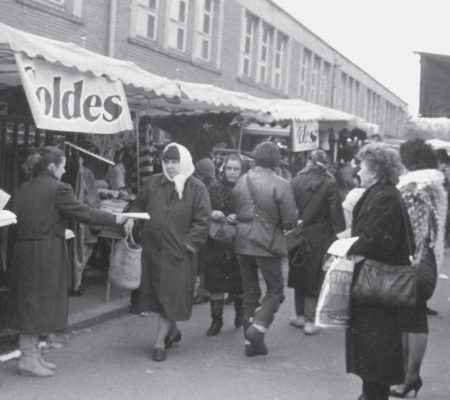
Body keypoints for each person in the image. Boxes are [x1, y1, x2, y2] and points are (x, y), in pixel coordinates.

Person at [11, 146, 130, 377]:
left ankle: (32, 354)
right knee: (40, 302)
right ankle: (27, 358)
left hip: (24, 249)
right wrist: (115, 217)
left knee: (30, 302)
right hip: (45, 252)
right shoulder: (59, 189)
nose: (66, 170)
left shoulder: (25, 187)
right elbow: (85, 212)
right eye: (63, 165)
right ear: (52, 166)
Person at [128, 143, 211, 362]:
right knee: (158, 295)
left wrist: (187, 245)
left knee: (169, 295)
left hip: (178, 255)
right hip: (152, 252)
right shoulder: (153, 183)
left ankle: (158, 344)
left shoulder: (197, 188)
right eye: (167, 162)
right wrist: (132, 219)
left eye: (174, 162)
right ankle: (172, 332)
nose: (171, 166)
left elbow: (202, 222)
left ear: (183, 162)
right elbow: (139, 205)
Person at [346, 142, 414, 400]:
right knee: (374, 347)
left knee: (377, 347)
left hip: (378, 284)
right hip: (376, 283)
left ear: (375, 169)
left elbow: (375, 239)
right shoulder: (381, 192)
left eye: (361, 165)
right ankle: (370, 393)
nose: (358, 169)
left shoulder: (384, 196)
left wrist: (343, 247)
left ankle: (372, 395)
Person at [390, 139, 447, 398]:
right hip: (428, 261)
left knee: (411, 320)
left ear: (408, 161)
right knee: (411, 318)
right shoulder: (434, 186)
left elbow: (409, 229)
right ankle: (407, 375)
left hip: (414, 261)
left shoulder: (414, 188)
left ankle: (410, 377)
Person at [231, 141, 298, 356]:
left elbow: (236, 208)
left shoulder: (241, 181)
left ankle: (249, 344)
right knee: (276, 290)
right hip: (267, 242)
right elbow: (289, 221)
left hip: (242, 241)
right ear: (276, 160)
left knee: (250, 292)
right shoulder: (281, 184)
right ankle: (258, 328)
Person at [288, 149, 345, 335]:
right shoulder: (329, 183)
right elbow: (335, 215)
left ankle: (298, 315)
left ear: (308, 161)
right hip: (320, 235)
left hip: (297, 233)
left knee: (297, 271)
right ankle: (310, 321)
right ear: (325, 163)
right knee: (314, 277)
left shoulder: (295, 181)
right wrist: (340, 238)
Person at [204, 154, 244, 336]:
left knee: (239, 283)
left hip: (239, 244)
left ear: (241, 171)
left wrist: (240, 217)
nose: (232, 172)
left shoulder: (247, 188)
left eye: (236, 169)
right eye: (229, 168)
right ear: (223, 169)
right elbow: (202, 208)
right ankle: (216, 321)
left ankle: (240, 315)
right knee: (216, 283)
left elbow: (255, 212)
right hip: (216, 243)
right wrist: (213, 212)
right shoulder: (213, 187)